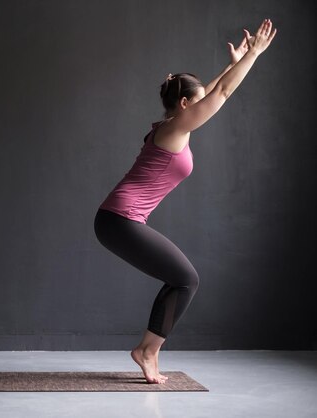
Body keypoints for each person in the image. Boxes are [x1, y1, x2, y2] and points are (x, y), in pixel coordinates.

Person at [94, 19, 277, 384]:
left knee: (182, 279)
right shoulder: (175, 128)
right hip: (119, 219)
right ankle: (146, 351)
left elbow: (211, 90)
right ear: (184, 105)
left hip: (119, 219)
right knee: (186, 279)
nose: (204, 106)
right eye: (197, 103)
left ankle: (147, 350)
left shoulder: (173, 124)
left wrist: (233, 61)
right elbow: (220, 95)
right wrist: (254, 55)